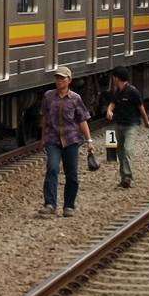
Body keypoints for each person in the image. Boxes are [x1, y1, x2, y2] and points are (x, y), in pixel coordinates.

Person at [39, 65, 92, 218]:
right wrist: (43, 138)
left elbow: (82, 120)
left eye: (62, 78)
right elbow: (45, 118)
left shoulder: (76, 98)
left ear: (69, 80)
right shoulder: (48, 96)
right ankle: (50, 204)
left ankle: (69, 205)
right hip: (53, 140)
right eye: (57, 78)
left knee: (72, 174)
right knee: (52, 168)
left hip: (71, 140)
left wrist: (89, 140)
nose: (59, 81)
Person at [105, 66, 149, 188]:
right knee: (120, 151)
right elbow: (113, 103)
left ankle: (127, 176)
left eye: (113, 77)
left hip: (131, 125)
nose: (113, 79)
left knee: (127, 149)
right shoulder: (117, 92)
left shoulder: (133, 91)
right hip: (118, 124)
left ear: (116, 78)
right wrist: (109, 110)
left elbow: (140, 107)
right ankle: (124, 178)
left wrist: (146, 122)